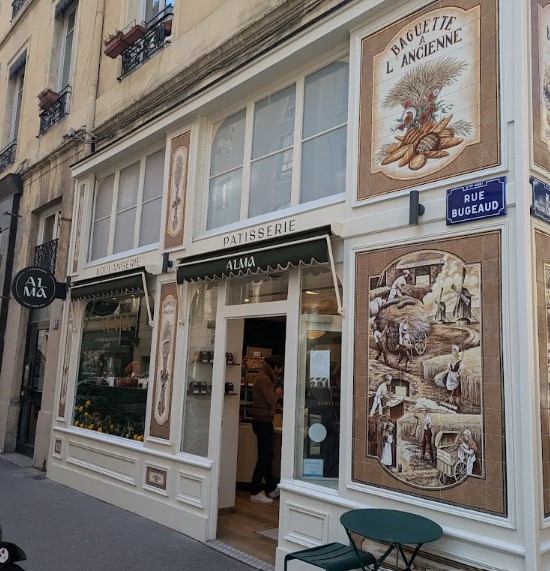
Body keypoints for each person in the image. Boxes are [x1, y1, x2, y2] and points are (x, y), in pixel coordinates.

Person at [250, 355, 284, 504]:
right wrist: (277, 393)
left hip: (264, 421)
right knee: (264, 458)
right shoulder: (264, 379)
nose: (281, 372)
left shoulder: (265, 377)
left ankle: (271, 488)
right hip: (262, 421)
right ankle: (254, 491)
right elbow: (270, 399)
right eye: (280, 369)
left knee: (268, 456)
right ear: (276, 367)